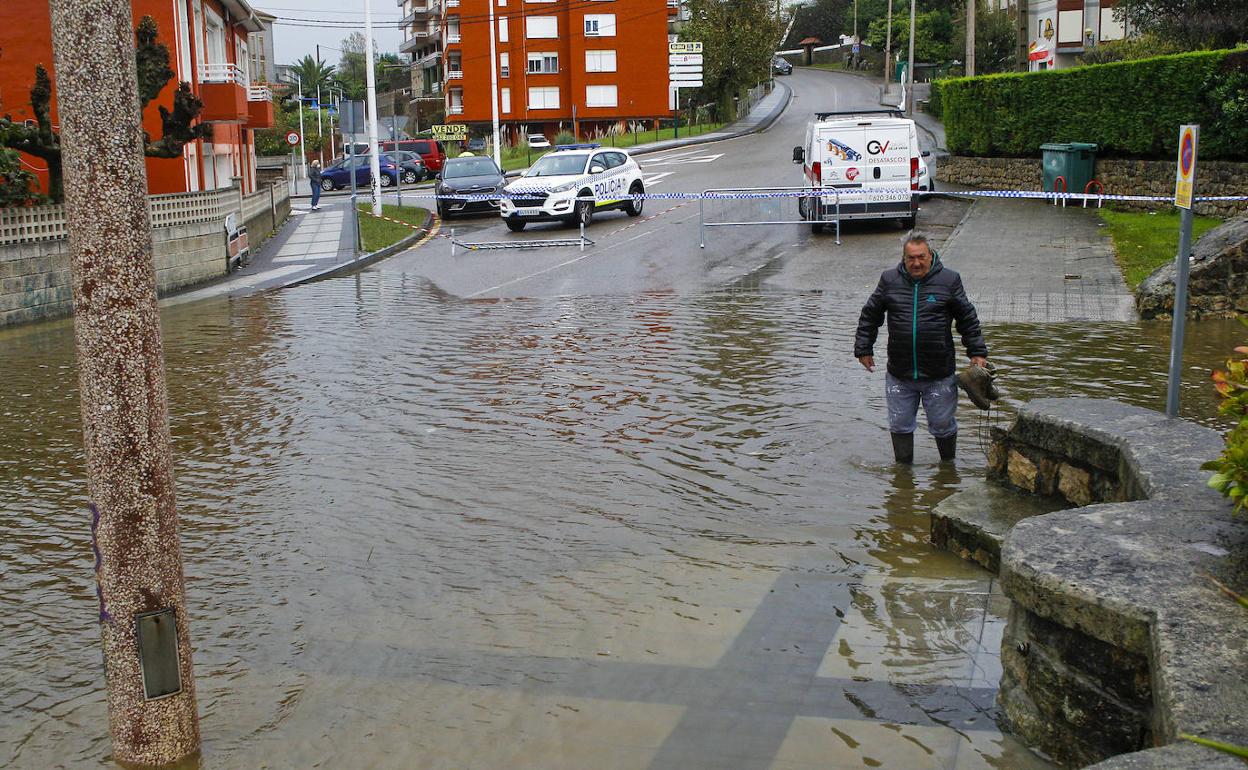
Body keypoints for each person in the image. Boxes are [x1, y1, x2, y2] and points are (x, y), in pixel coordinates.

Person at [854, 234, 988, 463]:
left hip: (939, 373)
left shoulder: (949, 280)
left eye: (921, 258)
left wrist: (977, 352)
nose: (916, 263)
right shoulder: (889, 280)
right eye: (911, 258)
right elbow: (870, 315)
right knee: (899, 424)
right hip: (900, 373)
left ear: (931, 256)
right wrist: (863, 348)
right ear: (904, 259)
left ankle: (948, 468)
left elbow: (967, 318)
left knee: (943, 425)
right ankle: (903, 477)